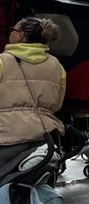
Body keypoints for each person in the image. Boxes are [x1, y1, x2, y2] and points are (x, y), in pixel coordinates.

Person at [0, 17, 66, 153]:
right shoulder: (57, 66)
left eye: (12, 30)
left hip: (7, 138)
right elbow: (57, 105)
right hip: (45, 139)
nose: (10, 33)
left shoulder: (2, 61)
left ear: (20, 35)